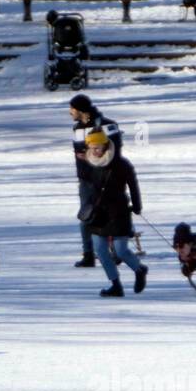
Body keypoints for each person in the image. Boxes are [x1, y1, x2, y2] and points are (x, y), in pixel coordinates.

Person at [81, 129, 147, 297]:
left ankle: (139, 270)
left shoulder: (121, 164)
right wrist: (86, 208)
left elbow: (133, 184)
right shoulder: (89, 162)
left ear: (105, 144)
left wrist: (137, 204)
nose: (95, 150)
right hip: (98, 215)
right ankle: (116, 285)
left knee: (120, 251)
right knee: (101, 251)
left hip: (118, 212)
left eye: (98, 147)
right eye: (92, 147)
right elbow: (88, 188)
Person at [69, 94, 123, 268]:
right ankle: (88, 254)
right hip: (86, 180)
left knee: (109, 215)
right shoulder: (77, 129)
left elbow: (115, 150)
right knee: (86, 216)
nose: (70, 112)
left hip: (105, 178)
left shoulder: (107, 125)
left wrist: (92, 157)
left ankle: (114, 252)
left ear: (81, 110)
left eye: (72, 109)